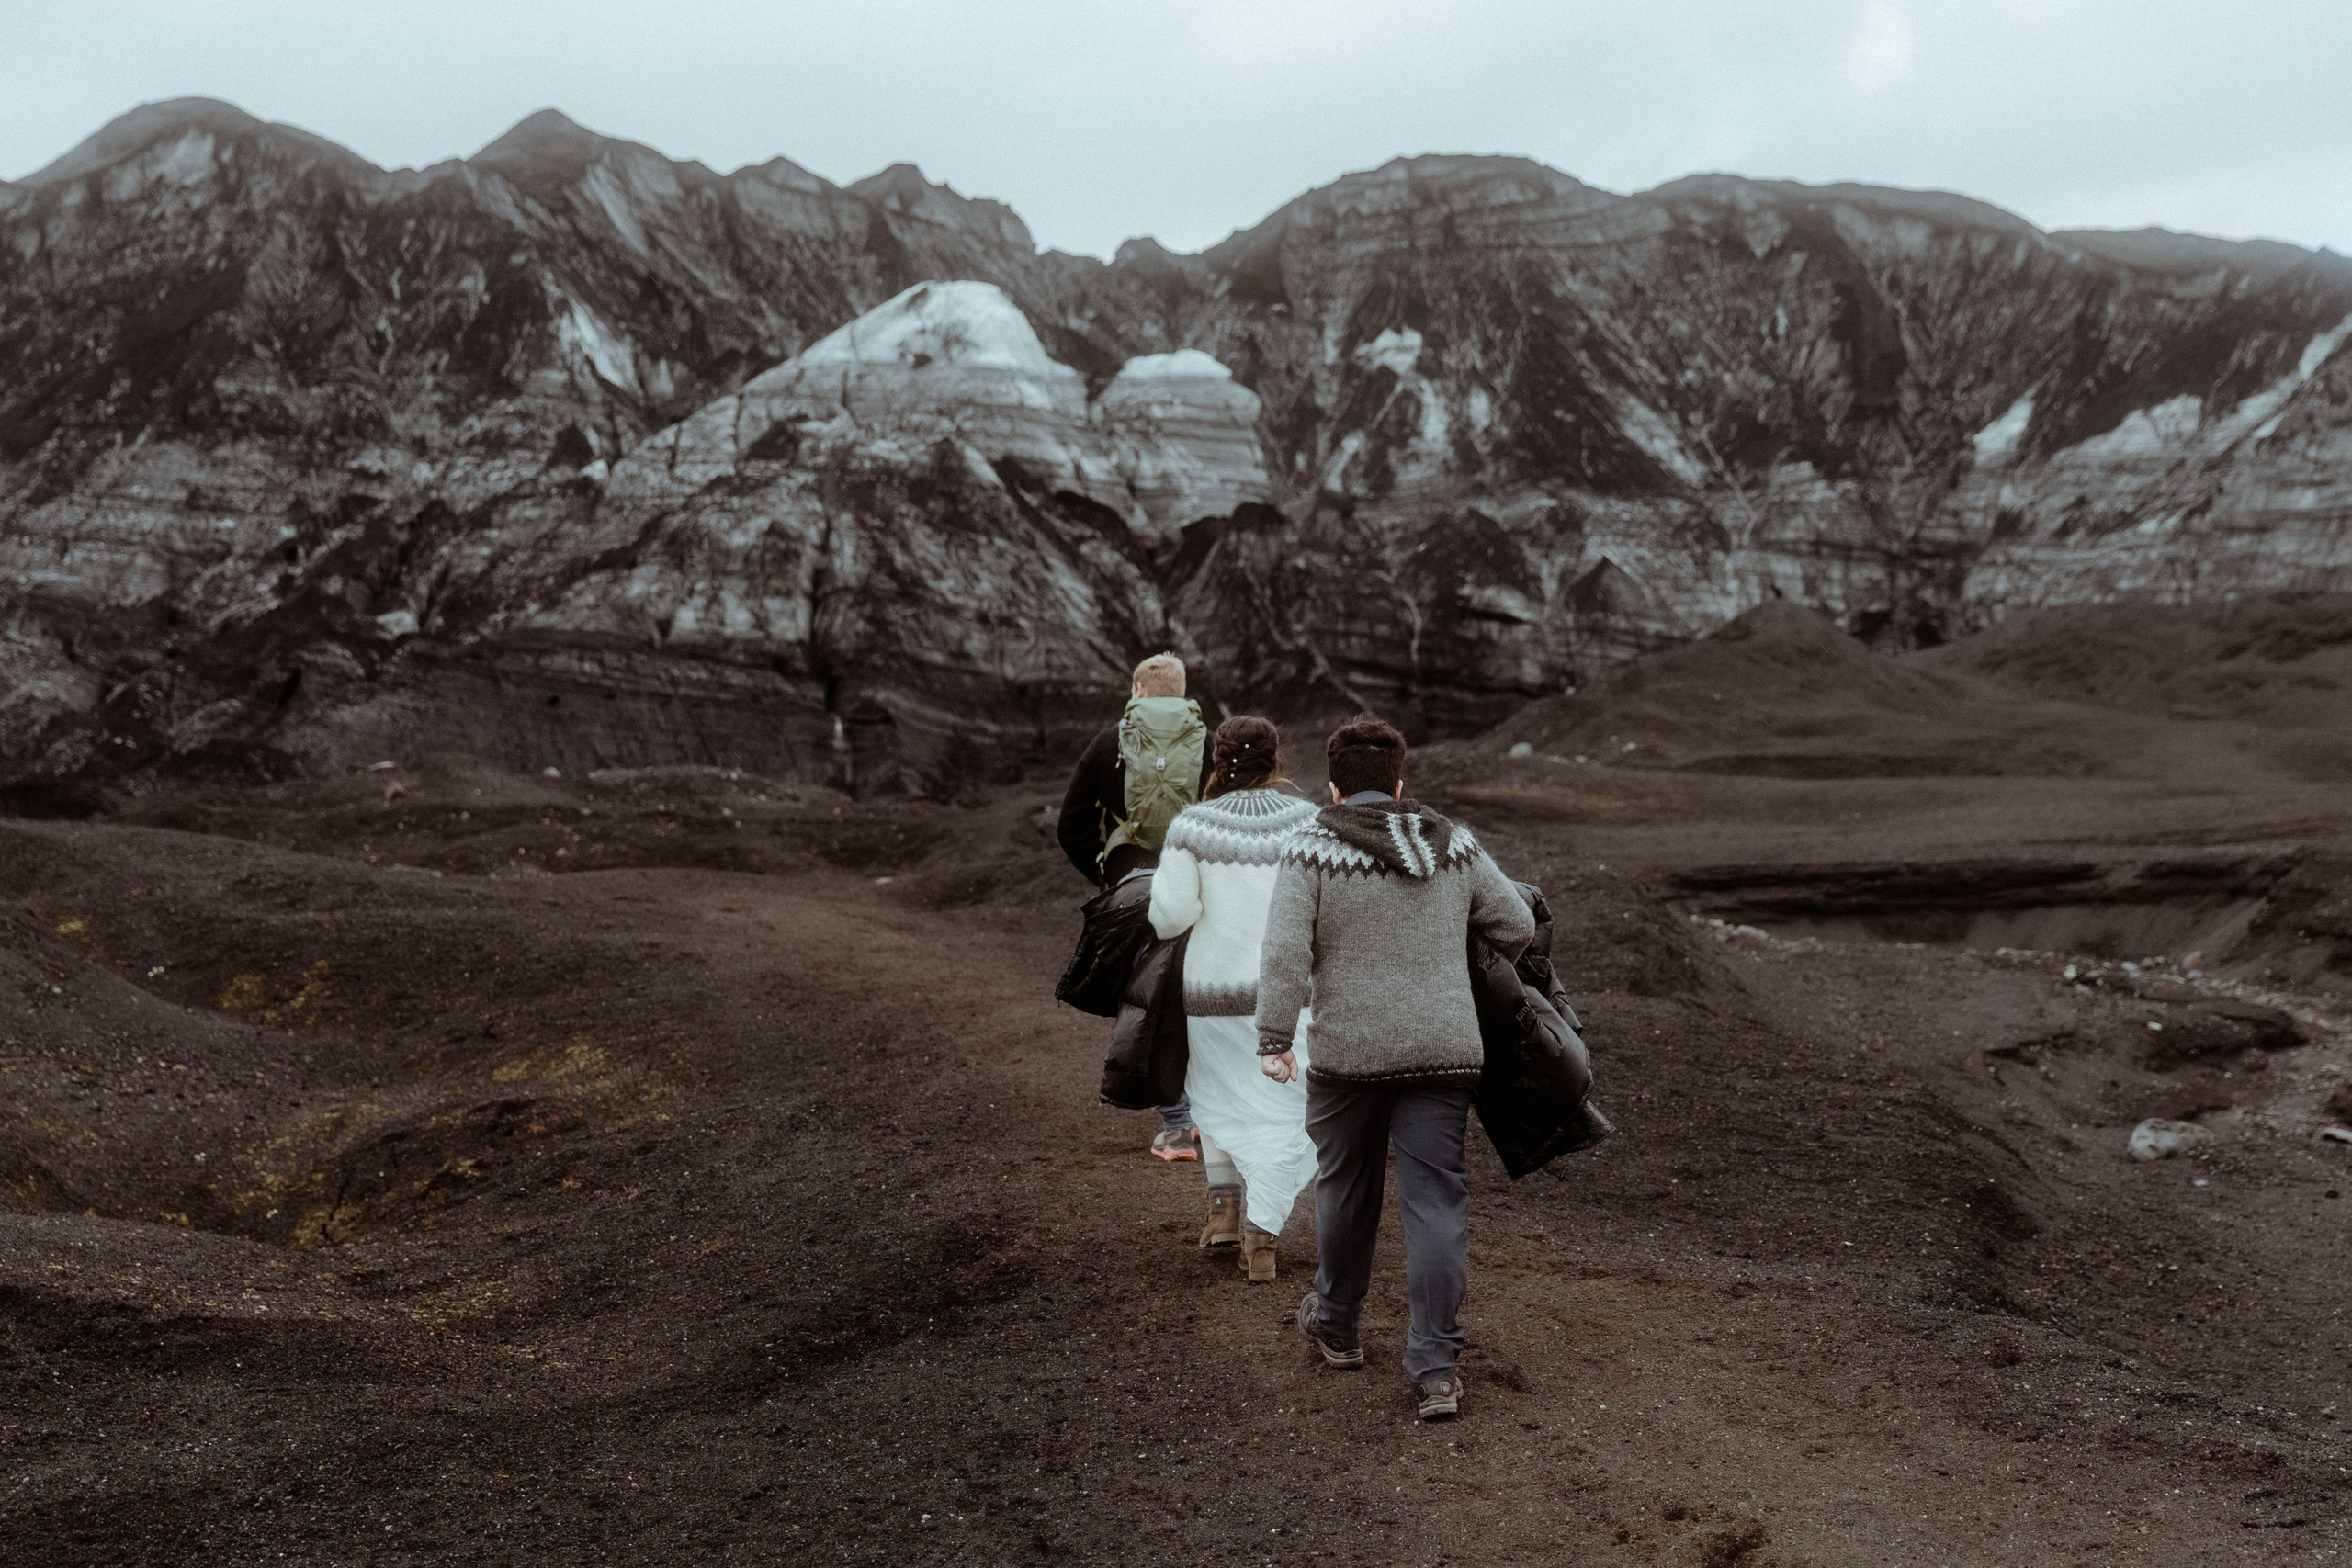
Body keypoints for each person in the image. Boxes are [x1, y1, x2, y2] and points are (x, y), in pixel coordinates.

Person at [1255, 717, 1535, 1421]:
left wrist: (1274, 1036)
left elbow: (1285, 951)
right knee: (1435, 1202)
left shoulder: (1311, 847)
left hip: (1350, 1053)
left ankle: (1340, 1327)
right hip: (1444, 1049)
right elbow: (1517, 926)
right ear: (1401, 783)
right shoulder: (1456, 843)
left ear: (1335, 785)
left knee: (1346, 1186)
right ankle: (1436, 1367)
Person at [1144, 716, 1319, 1280]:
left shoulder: (1192, 825)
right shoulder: (1311, 822)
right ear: (1276, 761)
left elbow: (1169, 918)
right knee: (1292, 1113)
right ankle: (1261, 1235)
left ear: (1216, 762)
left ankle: (1224, 1213)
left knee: (1217, 1098)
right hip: (1292, 997)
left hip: (1210, 996)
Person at [1057, 652, 1212, 1160]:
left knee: (1152, 996)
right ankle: (1213, 1117)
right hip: (1198, 884)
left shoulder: (1111, 742)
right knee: (1201, 995)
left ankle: (1177, 1124)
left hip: (1134, 884)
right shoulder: (1208, 742)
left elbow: (1072, 826)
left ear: (1137, 690)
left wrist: (1108, 876)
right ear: (1181, 691)